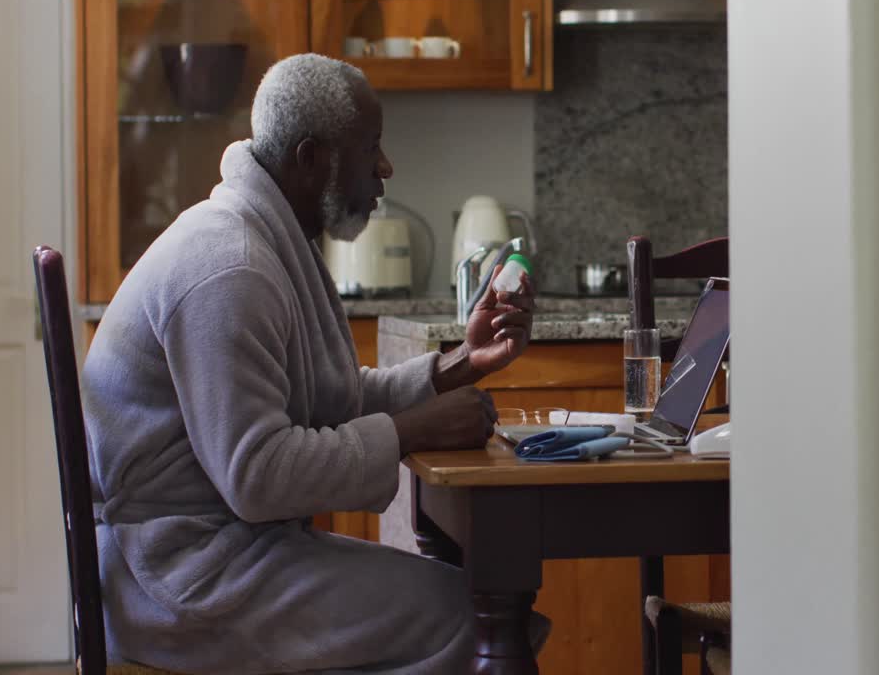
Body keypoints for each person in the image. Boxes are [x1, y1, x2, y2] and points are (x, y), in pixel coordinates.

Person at [81, 53, 538, 673]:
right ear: (309, 158)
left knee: (471, 603)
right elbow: (258, 474)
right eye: (370, 147)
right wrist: (413, 431)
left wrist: (458, 364)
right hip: (174, 578)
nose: (385, 168)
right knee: (468, 617)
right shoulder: (230, 266)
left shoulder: (261, 237)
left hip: (218, 552)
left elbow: (320, 398)